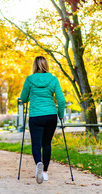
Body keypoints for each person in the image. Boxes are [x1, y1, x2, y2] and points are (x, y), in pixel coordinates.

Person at [20, 56, 65, 184]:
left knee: (36, 144)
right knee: (47, 143)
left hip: (36, 116)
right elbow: (61, 100)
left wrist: (31, 98)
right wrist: (61, 114)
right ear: (46, 65)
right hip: (51, 115)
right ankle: (45, 172)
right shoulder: (53, 79)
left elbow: (23, 98)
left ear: (34, 65)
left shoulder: (29, 80)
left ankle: (38, 163)